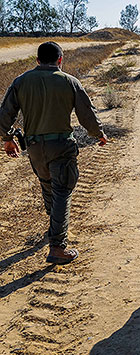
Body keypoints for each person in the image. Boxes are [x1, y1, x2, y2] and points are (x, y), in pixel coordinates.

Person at [0, 41, 106, 265]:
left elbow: (4, 117)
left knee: (48, 185)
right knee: (62, 192)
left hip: (35, 148)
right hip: (61, 146)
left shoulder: (21, 82)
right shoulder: (69, 82)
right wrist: (99, 134)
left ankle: (55, 226)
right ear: (60, 60)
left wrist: (8, 139)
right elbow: (87, 114)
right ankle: (57, 246)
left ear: (37, 61)